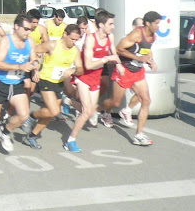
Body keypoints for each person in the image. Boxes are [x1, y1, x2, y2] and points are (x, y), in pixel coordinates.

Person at [0, 14, 39, 156]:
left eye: (31, 29)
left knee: (24, 115)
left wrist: (35, 68)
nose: (28, 32)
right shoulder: (6, 41)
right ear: (16, 27)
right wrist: (19, 67)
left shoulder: (30, 42)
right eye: (26, 29)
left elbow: (34, 59)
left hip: (17, 84)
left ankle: (5, 130)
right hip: (1, 83)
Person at [98, 11, 160, 145]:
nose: (158, 26)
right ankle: (95, 111)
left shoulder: (153, 36)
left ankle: (139, 134)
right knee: (115, 102)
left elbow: (146, 50)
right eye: (156, 23)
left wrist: (151, 60)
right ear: (148, 23)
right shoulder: (137, 34)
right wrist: (138, 58)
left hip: (138, 72)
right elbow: (119, 49)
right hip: (124, 70)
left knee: (146, 100)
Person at [65, 10, 122, 152]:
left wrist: (120, 66)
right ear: (101, 25)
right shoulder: (91, 39)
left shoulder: (110, 37)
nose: (113, 27)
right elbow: (89, 64)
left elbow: (113, 53)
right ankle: (70, 141)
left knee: (91, 113)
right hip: (84, 76)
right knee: (86, 112)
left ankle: (69, 101)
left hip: (95, 78)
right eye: (111, 24)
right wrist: (106, 59)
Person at [22, 24, 83, 149]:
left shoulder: (75, 50)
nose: (74, 42)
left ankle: (32, 135)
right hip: (46, 80)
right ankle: (31, 117)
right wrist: (35, 69)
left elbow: (81, 69)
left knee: (49, 113)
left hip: (59, 82)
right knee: (55, 111)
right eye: (72, 39)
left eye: (77, 40)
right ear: (65, 34)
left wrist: (72, 70)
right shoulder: (52, 45)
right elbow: (34, 51)